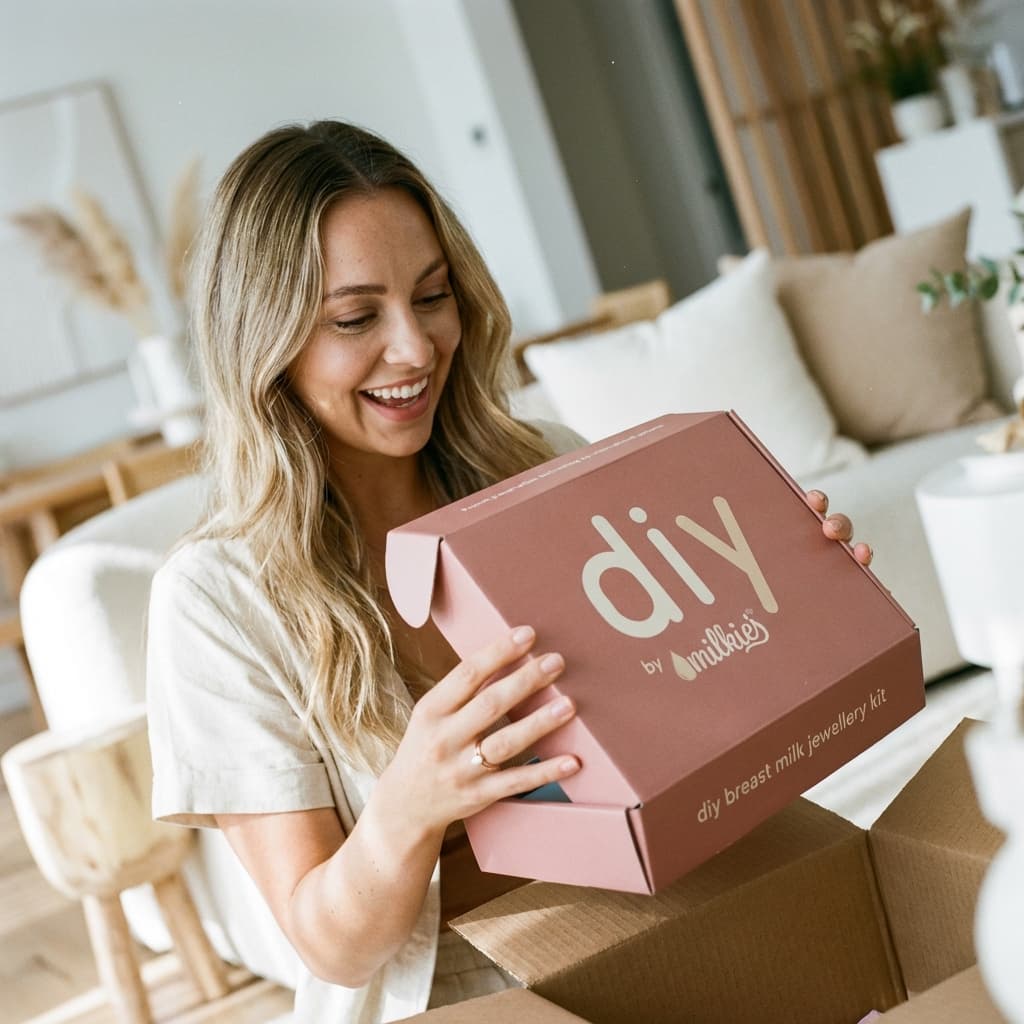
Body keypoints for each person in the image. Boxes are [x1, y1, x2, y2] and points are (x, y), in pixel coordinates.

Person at [146, 120, 872, 1023]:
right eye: (355, 318)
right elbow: (330, 946)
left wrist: (782, 592)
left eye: (433, 295)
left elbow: (703, 733)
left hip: (660, 924)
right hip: (456, 995)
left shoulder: (548, 472)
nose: (414, 348)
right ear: (264, 345)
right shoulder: (216, 600)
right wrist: (410, 806)